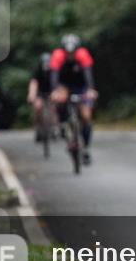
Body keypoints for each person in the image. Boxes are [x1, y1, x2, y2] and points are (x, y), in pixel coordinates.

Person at [49, 34, 98, 164]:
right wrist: (55, 91)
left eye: (73, 52)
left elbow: (88, 74)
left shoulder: (82, 55)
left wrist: (90, 89)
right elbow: (54, 75)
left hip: (80, 86)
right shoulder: (58, 56)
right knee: (60, 99)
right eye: (67, 52)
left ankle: (86, 148)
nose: (70, 55)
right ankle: (62, 124)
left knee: (86, 116)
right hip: (64, 85)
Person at [26, 52, 53, 142]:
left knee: (54, 108)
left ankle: (56, 127)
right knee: (37, 107)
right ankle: (38, 128)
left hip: (51, 92)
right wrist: (32, 95)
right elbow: (34, 83)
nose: (46, 65)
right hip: (40, 92)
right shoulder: (37, 70)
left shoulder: (54, 70)